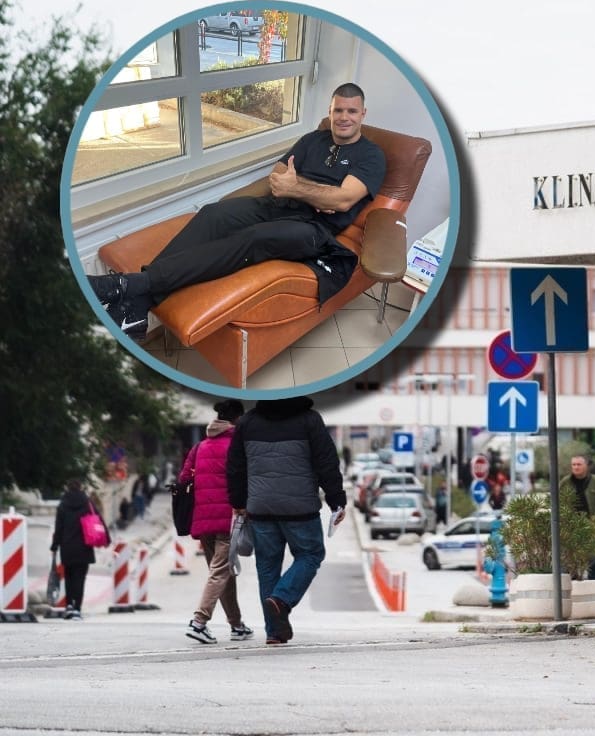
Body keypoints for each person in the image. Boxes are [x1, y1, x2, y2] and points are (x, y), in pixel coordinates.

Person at [87, 82, 386, 341]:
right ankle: (140, 306)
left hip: (313, 230)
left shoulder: (371, 155)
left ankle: (129, 285)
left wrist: (298, 188)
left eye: (351, 111)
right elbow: (279, 171)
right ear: (330, 111)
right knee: (211, 214)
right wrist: (314, 192)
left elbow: (343, 200)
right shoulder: (313, 139)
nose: (343, 118)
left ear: (363, 114)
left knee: (254, 237)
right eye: (338, 110)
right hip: (276, 206)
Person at [226, 396, 347, 645]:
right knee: (311, 555)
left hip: (260, 508)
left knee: (267, 567)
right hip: (300, 508)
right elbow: (327, 462)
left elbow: (235, 466)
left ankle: (275, 632)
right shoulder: (309, 420)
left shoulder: (247, 422)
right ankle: (281, 599)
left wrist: (238, 502)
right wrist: (336, 500)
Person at [177, 399, 254, 645]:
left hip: (202, 521)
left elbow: (183, 479)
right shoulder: (237, 446)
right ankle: (199, 622)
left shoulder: (199, 447)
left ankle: (237, 625)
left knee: (223, 572)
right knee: (220, 571)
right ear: (237, 419)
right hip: (228, 519)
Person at [49, 480, 108, 619]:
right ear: (81, 488)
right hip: (84, 547)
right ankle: (77, 608)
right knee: (80, 578)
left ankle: (69, 605)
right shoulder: (87, 503)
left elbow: (59, 528)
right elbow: (99, 520)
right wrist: (107, 539)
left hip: (67, 547)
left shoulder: (63, 505)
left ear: (67, 488)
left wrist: (54, 546)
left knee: (68, 577)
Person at [559, 453, 595, 580]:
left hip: (591, 528)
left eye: (579, 464)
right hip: (571, 529)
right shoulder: (565, 483)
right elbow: (558, 504)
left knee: (592, 561)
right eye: (573, 465)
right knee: (570, 563)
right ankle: (573, 591)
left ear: (586, 466)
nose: (576, 467)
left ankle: (594, 591)